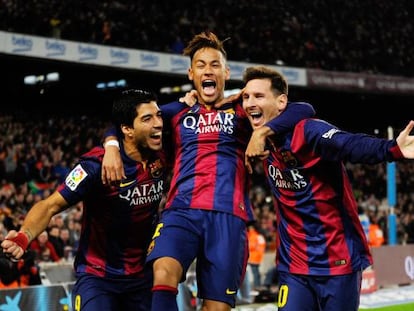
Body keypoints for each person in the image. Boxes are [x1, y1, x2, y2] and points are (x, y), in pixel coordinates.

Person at [102, 31, 316, 311]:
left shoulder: (243, 109)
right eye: (201, 65)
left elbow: (304, 109)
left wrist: (262, 131)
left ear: (226, 72)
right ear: (191, 73)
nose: (208, 70)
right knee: (163, 273)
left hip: (229, 216)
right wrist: (111, 147)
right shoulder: (176, 112)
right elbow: (124, 121)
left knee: (216, 307)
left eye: (215, 65)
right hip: (181, 210)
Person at [236, 65, 414, 310]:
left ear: (281, 102)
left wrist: (391, 149)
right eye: (246, 97)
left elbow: (347, 143)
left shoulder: (307, 130)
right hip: (294, 265)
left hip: (337, 260)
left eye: (258, 96)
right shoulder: (255, 131)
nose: (249, 103)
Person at [1, 89, 167, 311]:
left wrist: (111, 142)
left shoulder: (163, 152)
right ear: (127, 129)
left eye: (159, 116)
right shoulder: (93, 166)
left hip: (143, 277)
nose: (158, 123)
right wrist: (24, 236)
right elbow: (50, 205)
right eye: (147, 118)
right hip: (98, 278)